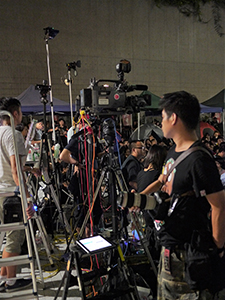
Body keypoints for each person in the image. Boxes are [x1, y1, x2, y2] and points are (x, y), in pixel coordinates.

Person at [137, 91, 225, 299]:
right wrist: (139, 198)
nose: (161, 122)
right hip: (169, 250)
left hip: (187, 254)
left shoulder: (199, 160)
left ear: (174, 118)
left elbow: (219, 206)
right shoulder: (173, 151)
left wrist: (216, 250)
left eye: (163, 117)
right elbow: (161, 179)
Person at [0, 97, 35, 292]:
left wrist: (29, 170)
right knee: (14, 237)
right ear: (15, 114)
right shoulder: (14, 135)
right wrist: (27, 198)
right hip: (11, 194)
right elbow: (15, 170)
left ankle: (4, 277)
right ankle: (11, 282)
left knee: (5, 237)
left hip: (0, 191)